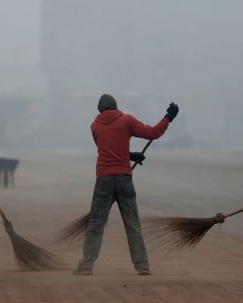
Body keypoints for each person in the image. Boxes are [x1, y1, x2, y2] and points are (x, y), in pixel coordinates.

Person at [74, 94, 179, 276]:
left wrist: (131, 155)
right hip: (124, 178)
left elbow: (106, 149)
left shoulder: (94, 126)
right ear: (115, 107)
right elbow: (153, 133)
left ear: (100, 110)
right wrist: (168, 117)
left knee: (96, 224)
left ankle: (86, 264)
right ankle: (142, 265)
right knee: (132, 223)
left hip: (103, 180)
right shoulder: (126, 120)